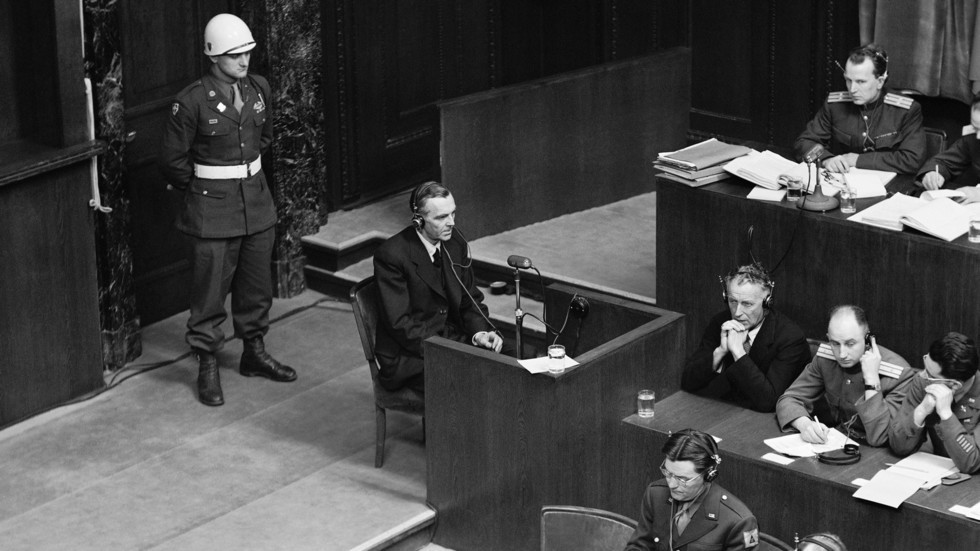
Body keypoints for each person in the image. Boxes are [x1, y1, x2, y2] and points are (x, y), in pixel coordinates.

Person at [158, 13, 296, 407]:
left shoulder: (258, 88)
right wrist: (207, 187)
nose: (244, 61)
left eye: (247, 53)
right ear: (214, 56)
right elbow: (172, 161)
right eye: (235, 55)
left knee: (256, 286)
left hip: (257, 203)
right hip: (212, 211)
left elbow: (264, 139)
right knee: (209, 293)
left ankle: (254, 352)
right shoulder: (191, 101)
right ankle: (207, 363)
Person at [373, 181, 505, 393]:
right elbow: (401, 325)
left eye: (453, 213)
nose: (451, 223)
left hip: (451, 338)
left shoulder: (455, 243)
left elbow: (469, 298)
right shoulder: (392, 255)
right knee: (477, 381)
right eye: (442, 217)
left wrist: (479, 333)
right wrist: (451, 349)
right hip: (411, 354)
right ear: (418, 220)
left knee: (516, 359)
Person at [681, 264, 811, 412]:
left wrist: (738, 352)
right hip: (726, 411)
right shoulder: (721, 322)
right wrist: (720, 351)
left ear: (767, 302)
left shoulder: (790, 338)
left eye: (747, 304)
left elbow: (768, 402)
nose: (737, 313)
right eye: (732, 301)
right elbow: (687, 382)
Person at [776, 305, 913, 446]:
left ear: (867, 339)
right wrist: (804, 424)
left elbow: (880, 437)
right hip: (838, 442)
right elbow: (789, 399)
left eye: (850, 344)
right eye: (835, 343)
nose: (842, 354)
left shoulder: (898, 373)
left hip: (878, 452)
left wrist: (872, 379)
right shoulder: (825, 359)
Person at [794, 44, 925, 175]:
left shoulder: (905, 110)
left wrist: (857, 160)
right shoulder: (835, 105)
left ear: (880, 82)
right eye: (848, 80)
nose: (852, 89)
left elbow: (913, 160)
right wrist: (825, 159)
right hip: (841, 181)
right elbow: (803, 143)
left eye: (861, 82)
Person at [624, 429, 759, 551]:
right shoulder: (655, 494)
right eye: (668, 473)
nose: (672, 485)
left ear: (709, 474)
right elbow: (640, 545)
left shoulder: (738, 521)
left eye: (682, 479)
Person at [889, 332, 980, 474]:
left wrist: (946, 415)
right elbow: (898, 446)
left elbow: (972, 463)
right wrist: (921, 410)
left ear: (954, 385)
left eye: (930, 375)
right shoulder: (923, 382)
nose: (921, 375)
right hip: (937, 473)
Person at [916, 92, 980, 200]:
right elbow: (944, 162)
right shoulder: (972, 139)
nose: (978, 136)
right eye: (975, 127)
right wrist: (932, 173)